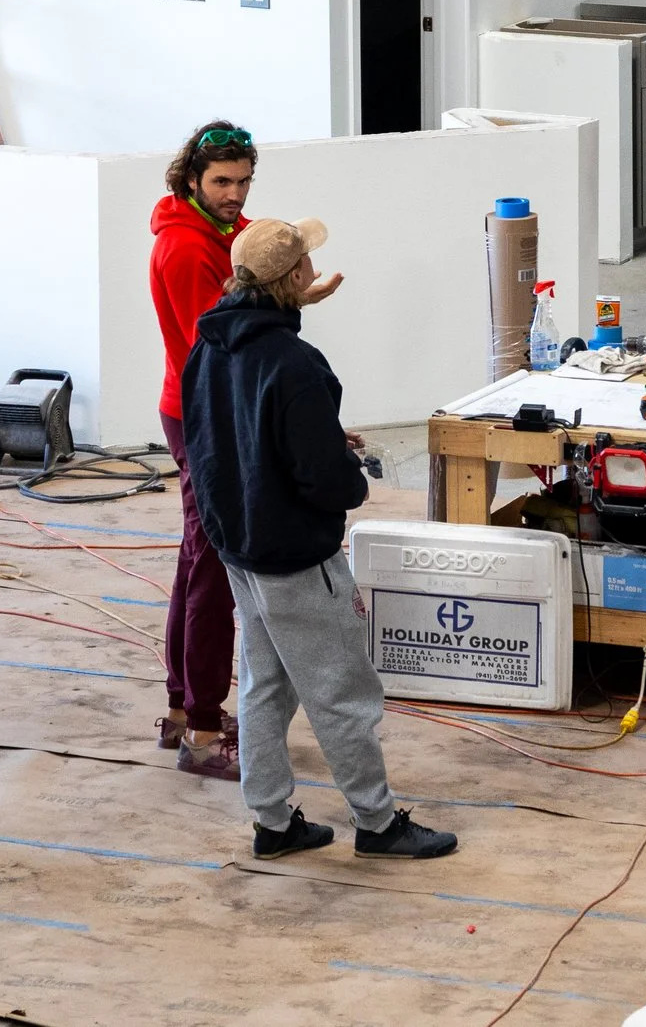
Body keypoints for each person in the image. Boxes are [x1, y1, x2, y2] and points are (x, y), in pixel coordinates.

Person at [179, 217, 456, 861]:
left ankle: (272, 822)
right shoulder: (296, 364)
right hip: (296, 555)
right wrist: (346, 470)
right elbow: (323, 479)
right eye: (305, 259)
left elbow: (219, 439)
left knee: (264, 684)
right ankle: (377, 824)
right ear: (296, 275)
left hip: (239, 547)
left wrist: (323, 438)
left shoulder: (209, 344)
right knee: (343, 693)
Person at [147, 122, 342, 778]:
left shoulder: (227, 233)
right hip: (205, 417)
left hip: (207, 409)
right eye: (222, 182)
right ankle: (203, 732)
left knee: (196, 562)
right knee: (213, 572)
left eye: (244, 181)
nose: (235, 194)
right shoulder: (184, 248)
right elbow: (223, 351)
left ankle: (183, 710)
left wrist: (293, 293)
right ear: (192, 180)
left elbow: (250, 301)